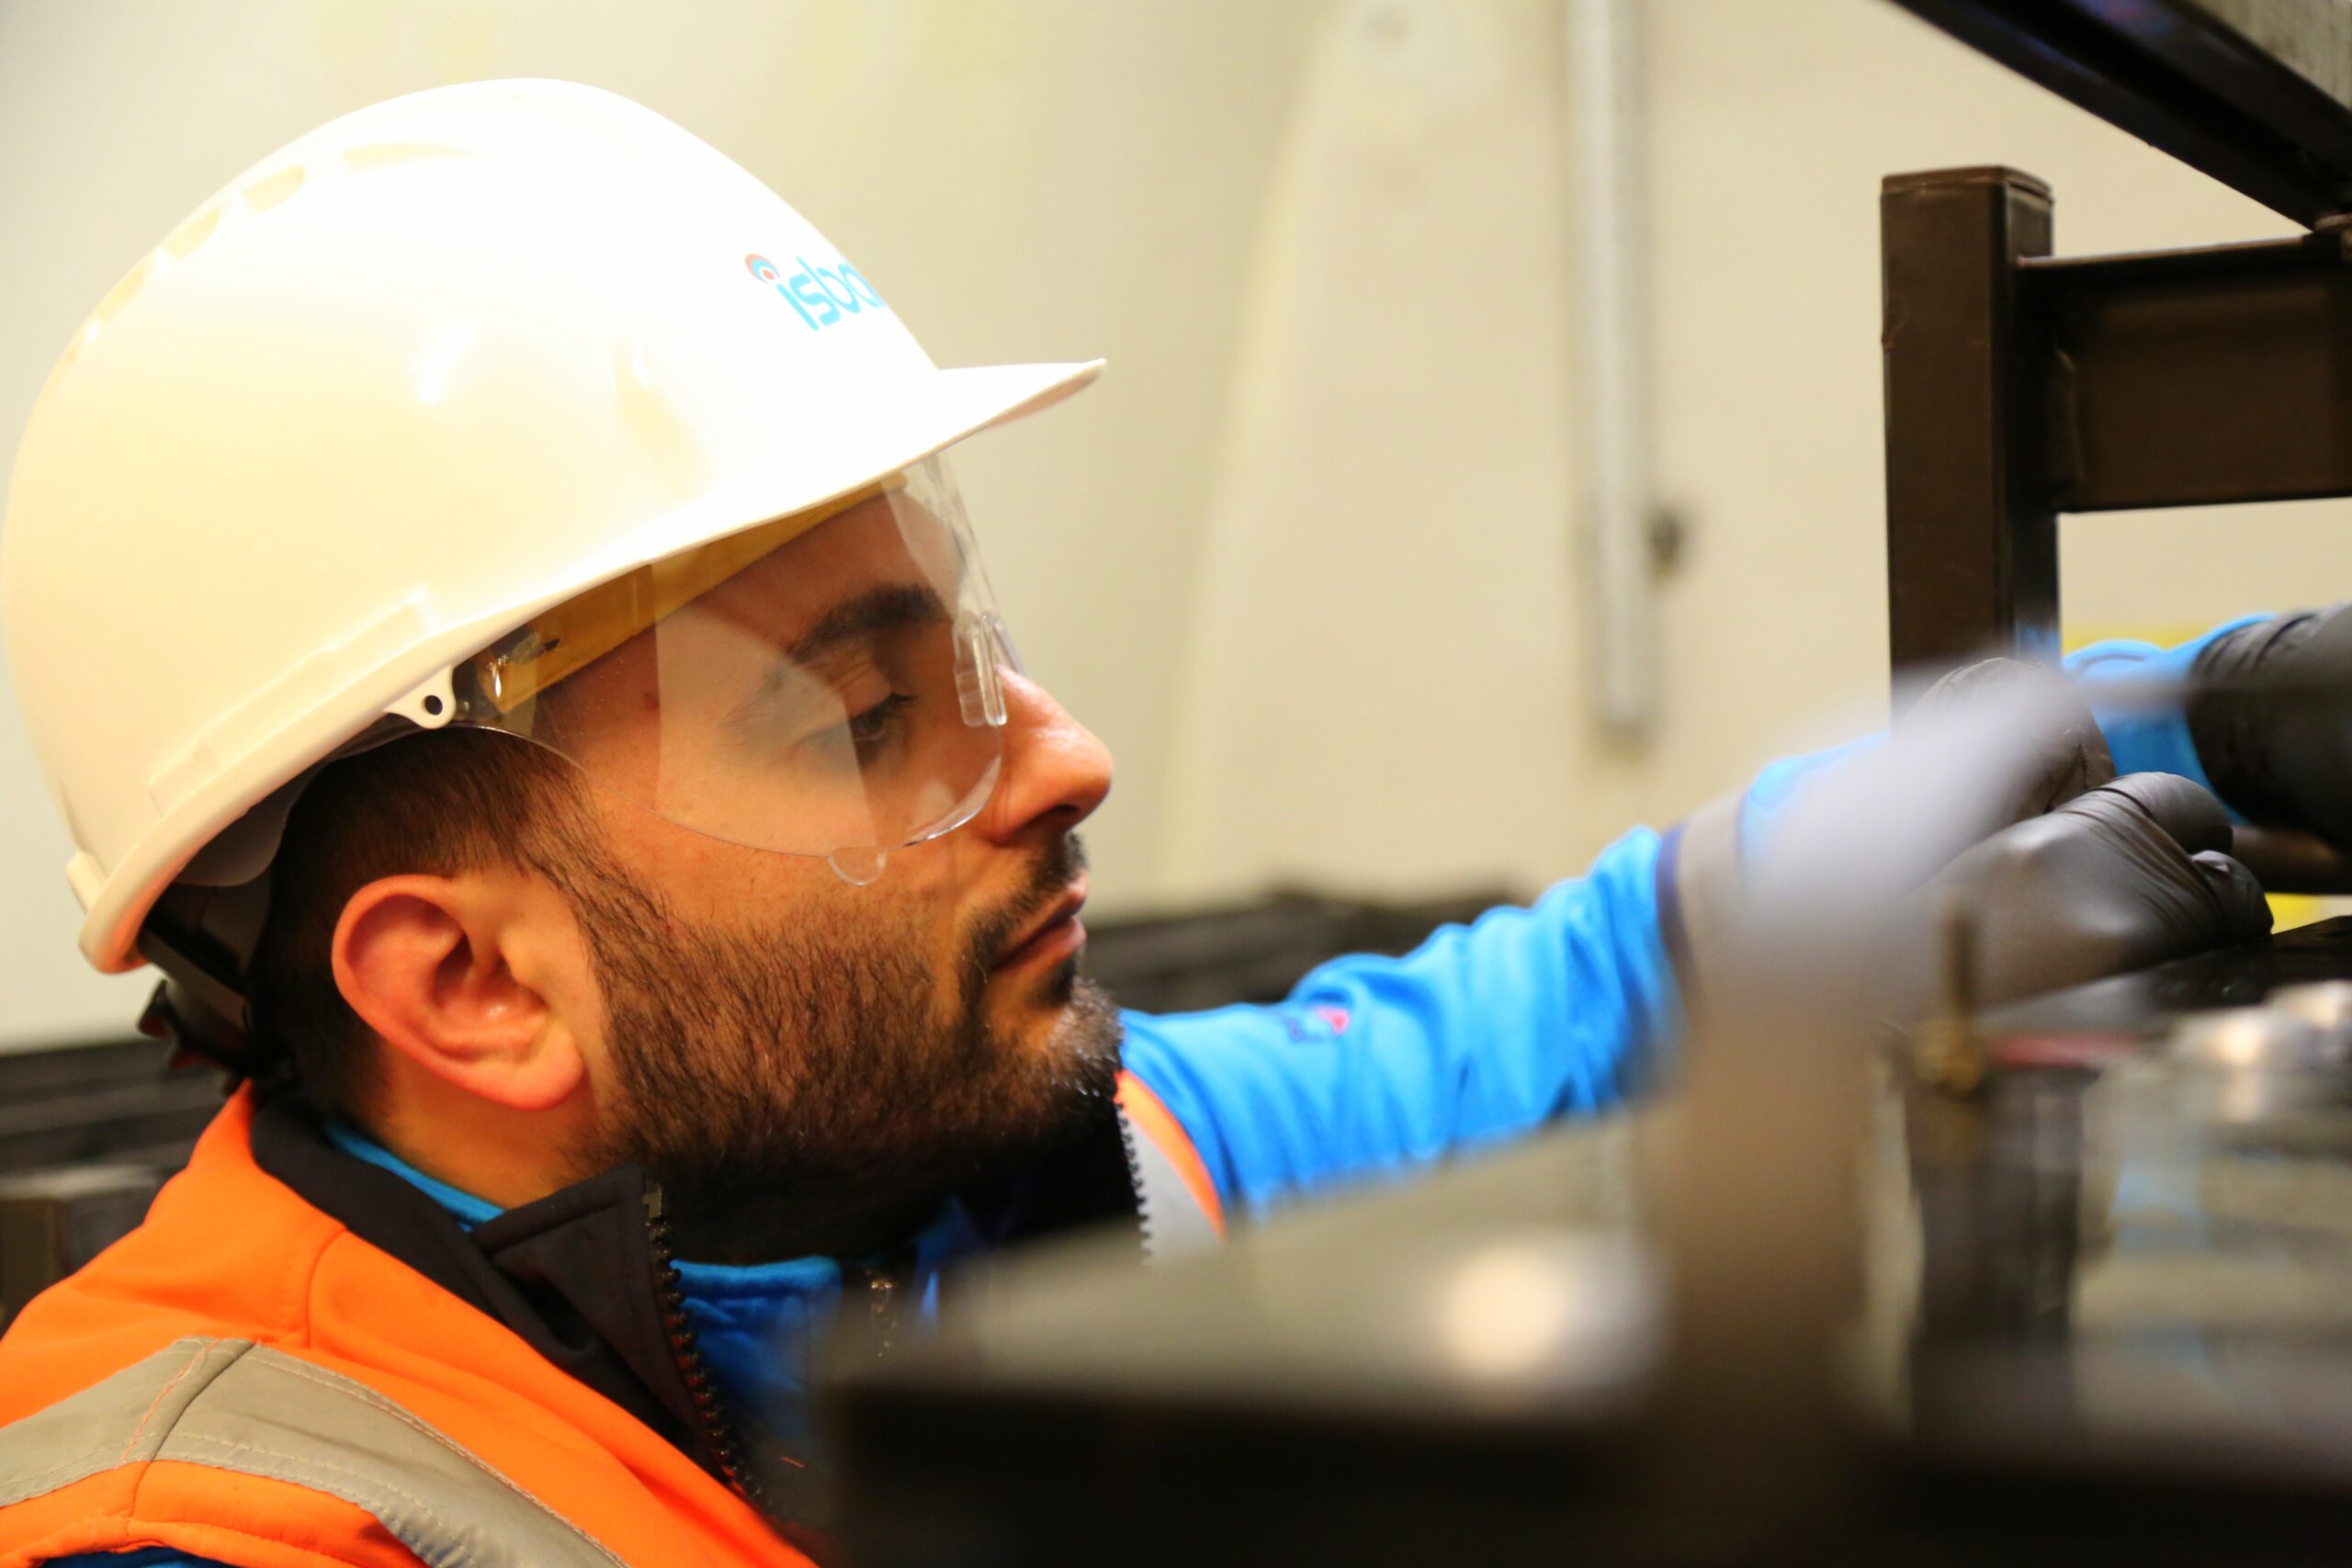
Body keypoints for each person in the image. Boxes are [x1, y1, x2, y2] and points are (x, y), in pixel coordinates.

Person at [0, 82, 2319, 1568]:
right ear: (473, 983)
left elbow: (1570, 999)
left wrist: (2193, 719)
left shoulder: (959, 1176)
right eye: (865, 715)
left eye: (973, 653)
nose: (1063, 755)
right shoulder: (220, 1520)